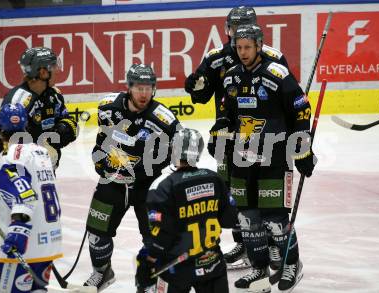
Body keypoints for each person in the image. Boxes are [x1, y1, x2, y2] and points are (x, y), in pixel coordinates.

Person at [213, 24, 317, 292]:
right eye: (239, 47)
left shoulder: (277, 74)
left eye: (247, 47)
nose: (243, 52)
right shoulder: (231, 77)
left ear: (259, 46)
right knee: (247, 219)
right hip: (241, 157)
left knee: (275, 218)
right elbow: (226, 113)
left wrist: (303, 148)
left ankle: (291, 263)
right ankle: (259, 267)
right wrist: (220, 132)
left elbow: (301, 111)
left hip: (274, 155)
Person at [185, 6, 289, 270]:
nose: (235, 33)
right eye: (232, 27)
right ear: (227, 29)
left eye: (241, 27)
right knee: (236, 193)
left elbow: (289, 98)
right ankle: (246, 242)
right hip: (230, 136)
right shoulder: (216, 58)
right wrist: (195, 86)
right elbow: (201, 95)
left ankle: (275, 245)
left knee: (269, 194)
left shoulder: (273, 57)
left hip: (267, 139)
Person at [84, 64, 182, 290]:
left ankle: (150, 279)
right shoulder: (108, 107)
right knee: (97, 233)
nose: (144, 93)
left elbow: (179, 155)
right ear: (129, 87)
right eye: (139, 88)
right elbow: (101, 141)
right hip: (112, 182)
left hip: (147, 187)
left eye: (149, 88)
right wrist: (100, 163)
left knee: (155, 238)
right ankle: (102, 272)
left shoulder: (163, 119)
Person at [0, 103, 63, 292]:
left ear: (0, 131)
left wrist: (19, 232)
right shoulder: (40, 152)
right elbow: (30, 191)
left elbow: (26, 197)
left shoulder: (8, 158)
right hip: (49, 240)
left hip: (27, 243)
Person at [135, 128, 237, 293]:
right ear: (198, 152)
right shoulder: (214, 178)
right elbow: (230, 220)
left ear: (173, 150)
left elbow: (161, 237)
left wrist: (147, 263)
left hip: (176, 269)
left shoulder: (163, 186)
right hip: (212, 264)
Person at [0, 47, 78, 169]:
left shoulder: (54, 95)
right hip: (21, 174)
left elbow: (70, 123)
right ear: (43, 72)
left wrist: (62, 131)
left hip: (45, 172)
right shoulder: (18, 101)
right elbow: (4, 143)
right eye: (53, 66)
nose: (57, 70)